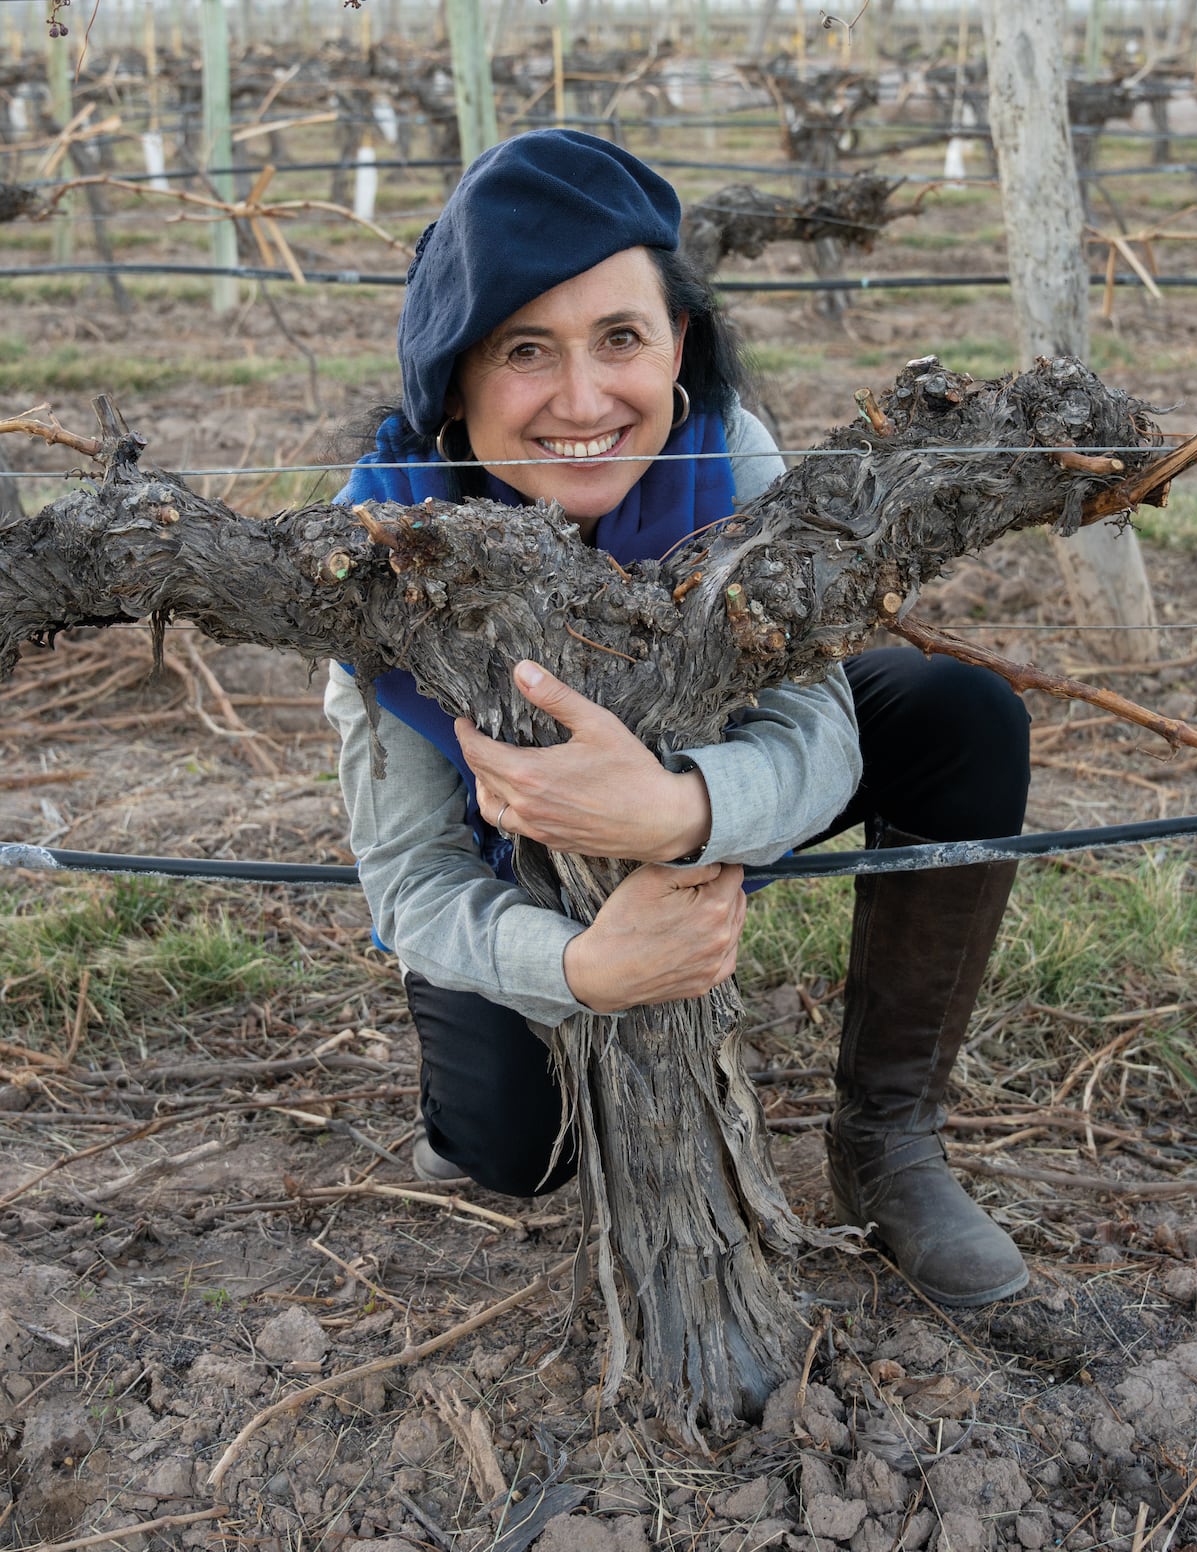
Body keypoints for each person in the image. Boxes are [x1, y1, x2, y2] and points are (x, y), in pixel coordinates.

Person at [324, 130, 1032, 1309]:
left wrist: (682, 811)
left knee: (958, 713)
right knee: (516, 1155)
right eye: (525, 351)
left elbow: (817, 727)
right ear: (451, 377)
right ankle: (488, 1085)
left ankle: (888, 1141)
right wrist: (582, 966)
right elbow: (408, 877)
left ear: (679, 344)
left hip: (695, 786)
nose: (584, 398)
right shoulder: (379, 544)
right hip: (510, 865)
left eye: (621, 338)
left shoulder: (727, 458)